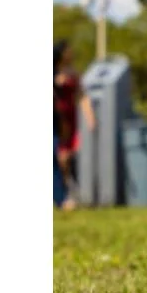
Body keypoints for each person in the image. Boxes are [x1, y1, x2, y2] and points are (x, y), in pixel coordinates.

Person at [54, 40, 95, 210]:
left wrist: (89, 116)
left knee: (68, 156)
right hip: (56, 117)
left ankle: (65, 193)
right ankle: (62, 195)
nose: (70, 54)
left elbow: (82, 96)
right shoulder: (51, 71)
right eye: (68, 51)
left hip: (71, 118)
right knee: (60, 157)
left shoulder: (73, 73)